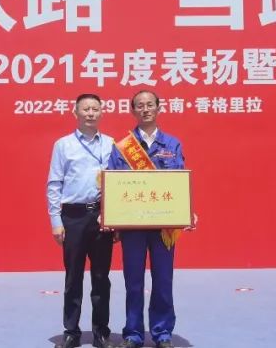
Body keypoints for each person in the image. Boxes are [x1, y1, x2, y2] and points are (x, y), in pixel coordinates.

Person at [108, 90, 196, 348]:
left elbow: (179, 180)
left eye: (149, 105)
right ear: (132, 111)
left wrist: (186, 210)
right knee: (133, 281)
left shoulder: (172, 144)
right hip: (133, 225)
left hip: (163, 225)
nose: (145, 109)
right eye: (139, 105)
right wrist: (111, 216)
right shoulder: (123, 147)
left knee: (163, 280)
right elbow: (114, 183)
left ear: (159, 108)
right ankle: (133, 334)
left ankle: (162, 333)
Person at [46, 93, 118, 348]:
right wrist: (56, 220)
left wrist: (116, 219)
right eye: (85, 109)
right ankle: (71, 331)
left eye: (95, 109)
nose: (90, 113)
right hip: (73, 216)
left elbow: (119, 184)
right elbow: (54, 183)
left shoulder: (111, 144)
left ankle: (101, 332)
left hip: (102, 216)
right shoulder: (63, 145)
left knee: (101, 277)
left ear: (102, 113)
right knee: (73, 276)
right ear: (75, 113)